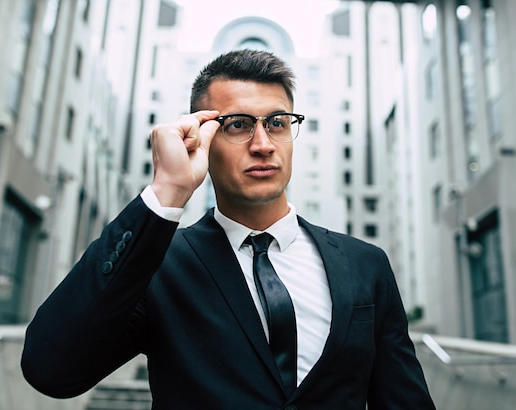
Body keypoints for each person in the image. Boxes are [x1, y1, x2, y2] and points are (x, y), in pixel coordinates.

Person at [22, 49, 435, 409]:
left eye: (277, 122)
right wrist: (167, 190)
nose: (263, 143)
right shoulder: (159, 265)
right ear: (202, 137)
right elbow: (51, 370)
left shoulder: (365, 264)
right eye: (238, 124)